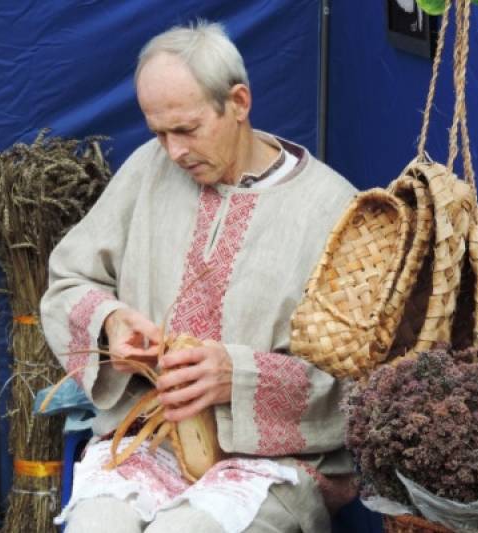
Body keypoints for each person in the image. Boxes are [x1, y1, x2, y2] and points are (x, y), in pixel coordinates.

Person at [41, 20, 358, 533]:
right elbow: (69, 281)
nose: (174, 152)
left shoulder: (332, 208)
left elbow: (357, 378)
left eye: (187, 130)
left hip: (272, 463)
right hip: (149, 439)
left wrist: (238, 376)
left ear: (238, 102)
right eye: (159, 133)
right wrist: (112, 322)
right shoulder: (147, 170)